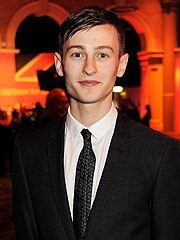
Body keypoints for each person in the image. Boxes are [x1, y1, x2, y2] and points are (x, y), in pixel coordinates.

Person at [12, 6, 180, 240]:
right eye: (77, 54)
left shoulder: (160, 154)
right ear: (59, 64)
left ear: (121, 64)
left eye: (102, 55)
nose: (89, 68)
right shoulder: (28, 150)